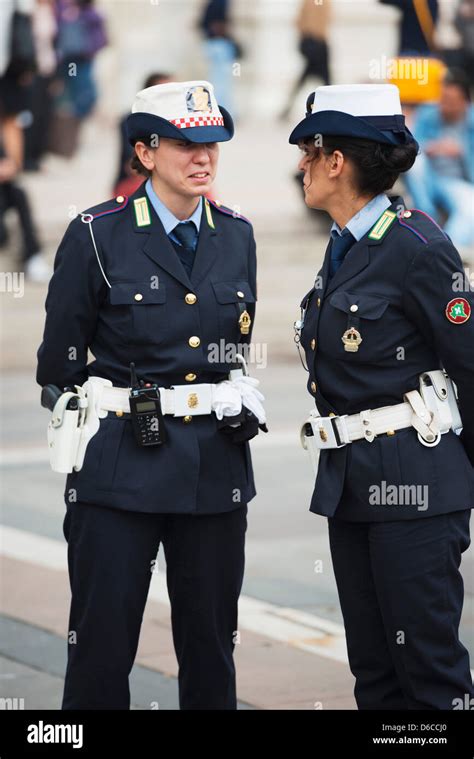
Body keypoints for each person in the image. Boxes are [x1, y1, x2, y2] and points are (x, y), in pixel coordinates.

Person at [36, 80, 264, 710]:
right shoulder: (96, 234)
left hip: (214, 467)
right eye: (186, 143)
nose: (203, 158)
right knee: (102, 649)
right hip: (118, 470)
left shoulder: (238, 234)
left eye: (213, 143)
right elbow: (58, 362)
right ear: (144, 151)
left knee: (212, 649)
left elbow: (231, 351)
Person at [290, 83, 474, 709]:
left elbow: (470, 365)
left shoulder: (418, 246)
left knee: (429, 673)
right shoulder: (346, 245)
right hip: (353, 486)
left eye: (308, 153)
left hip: (417, 491)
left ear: (336, 161)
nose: (302, 167)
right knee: (374, 673)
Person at [405, 69, 474, 251]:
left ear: (466, 102)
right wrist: (431, 147)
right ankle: (427, 218)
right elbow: (411, 146)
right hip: (429, 177)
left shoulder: (471, 122)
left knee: (470, 205)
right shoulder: (428, 114)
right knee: (416, 163)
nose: (445, 106)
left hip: (457, 181)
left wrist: (461, 151)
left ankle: (447, 249)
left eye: (451, 102)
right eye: (443, 100)